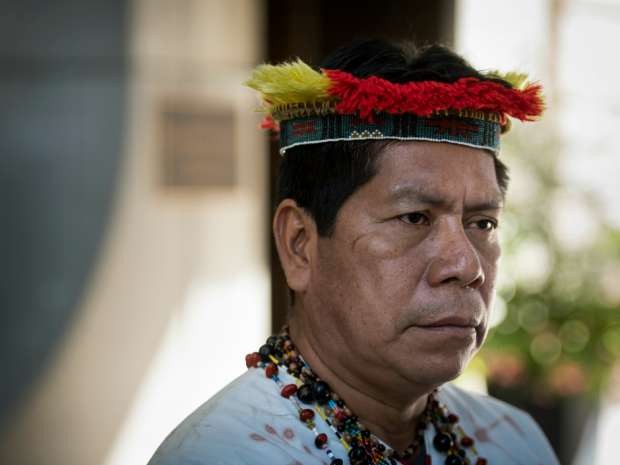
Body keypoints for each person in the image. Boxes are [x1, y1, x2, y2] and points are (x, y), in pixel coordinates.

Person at [148, 39, 558, 465]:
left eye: (482, 224)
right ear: (300, 245)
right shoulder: (224, 454)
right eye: (415, 217)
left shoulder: (513, 442)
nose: (466, 265)